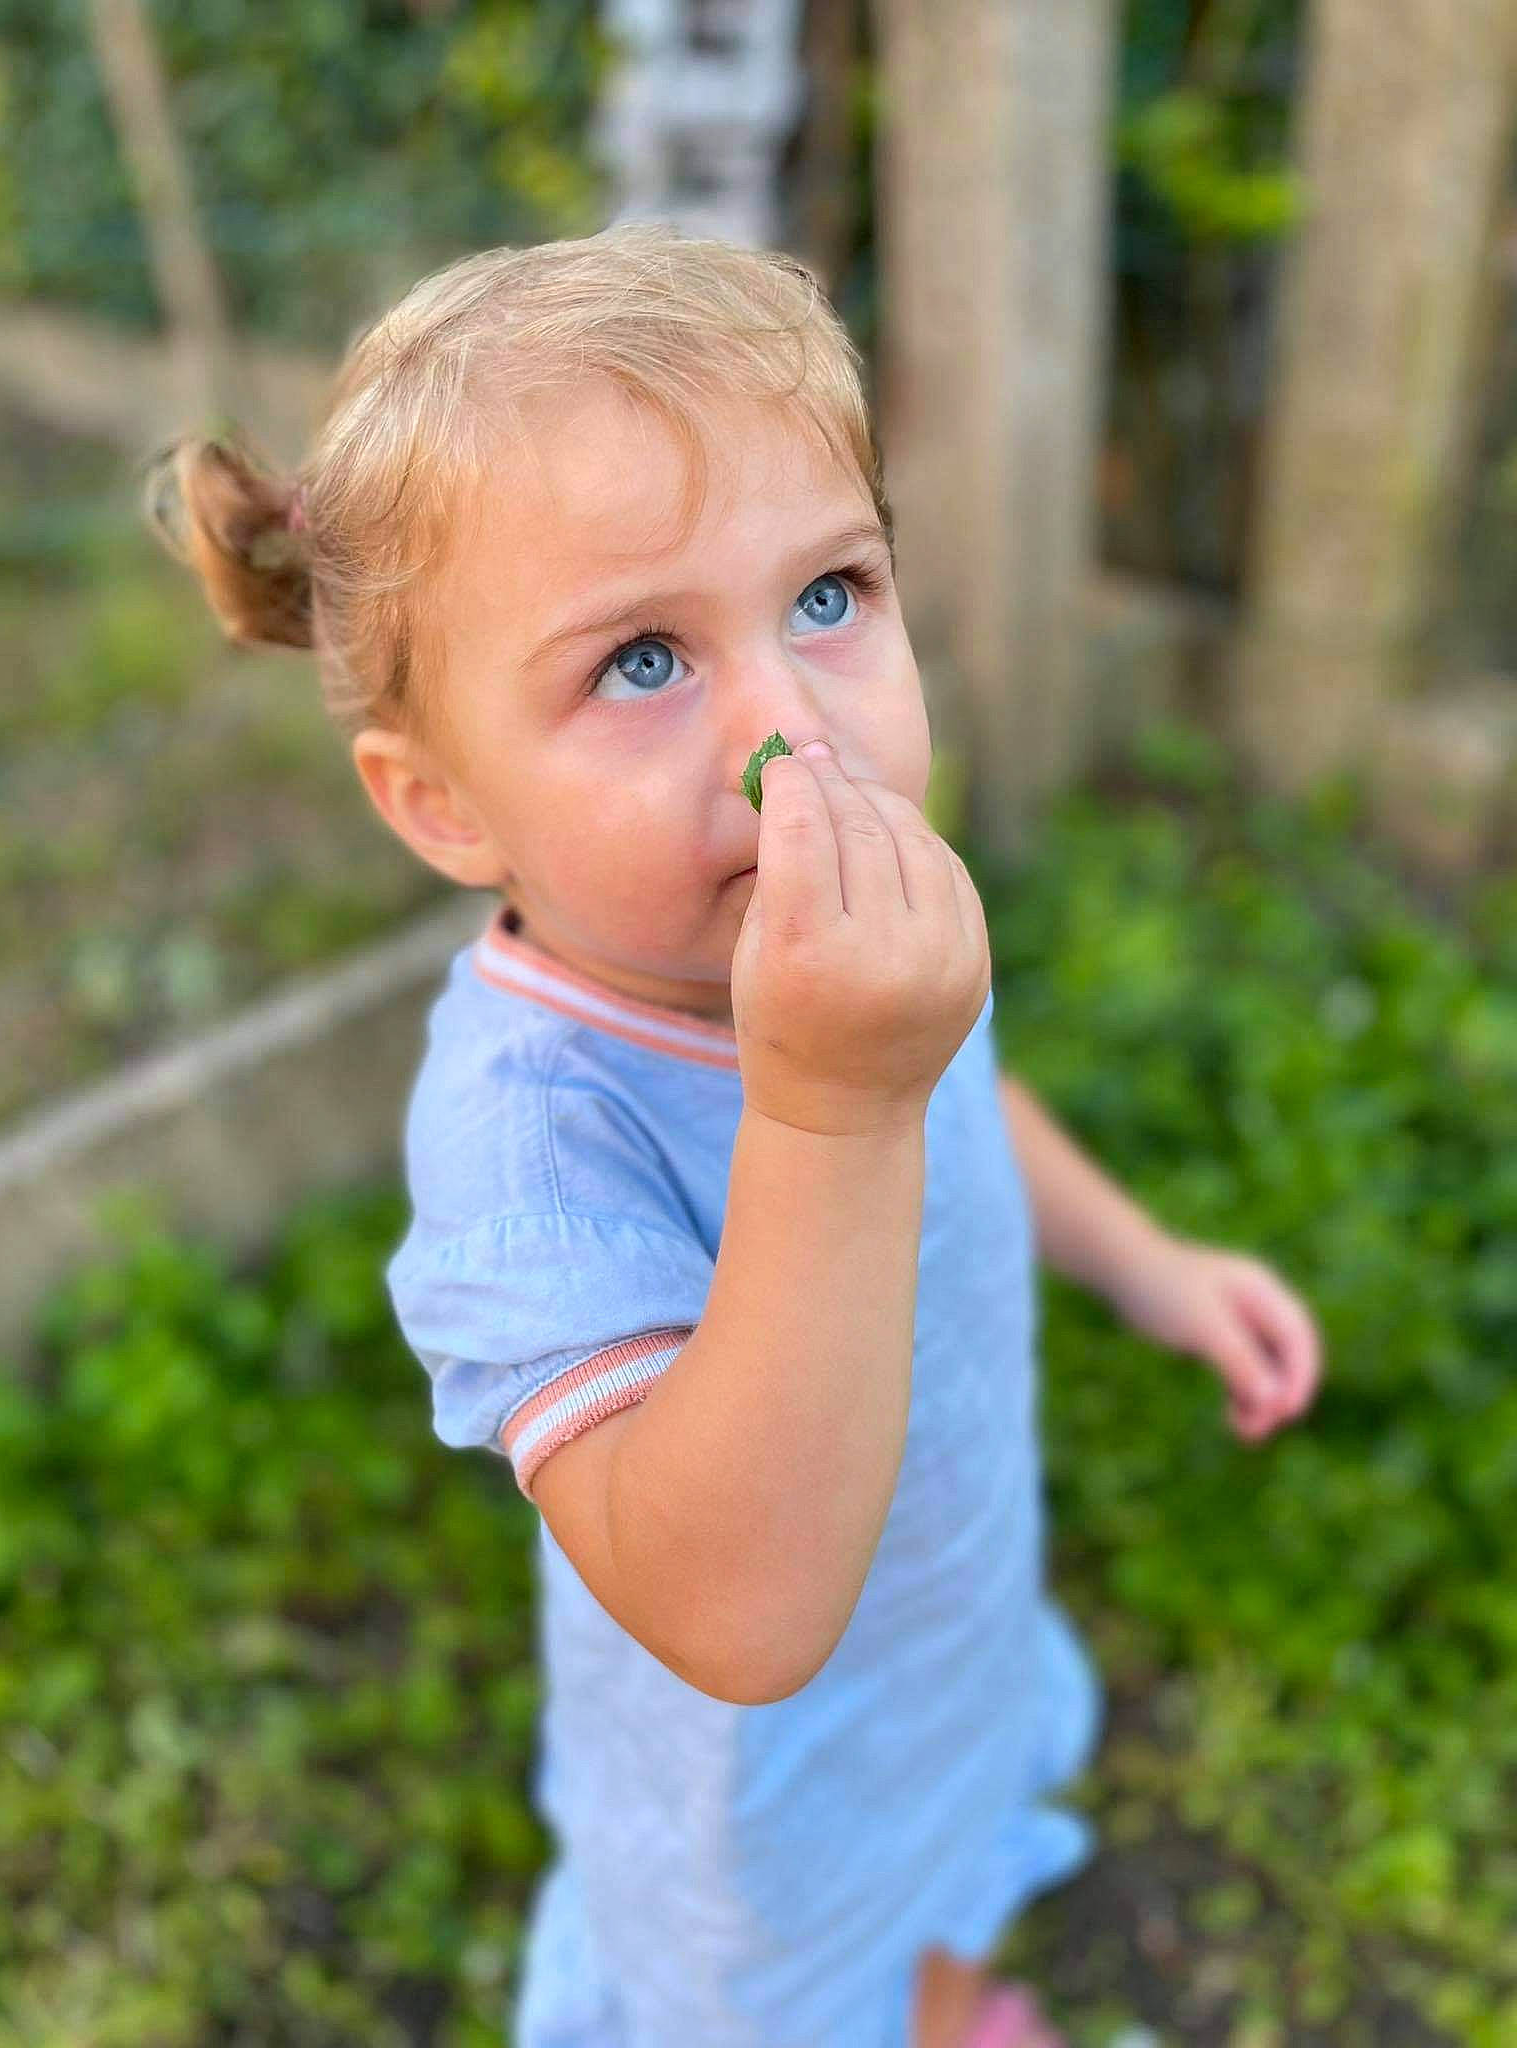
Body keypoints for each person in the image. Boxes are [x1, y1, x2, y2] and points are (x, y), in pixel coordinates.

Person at [146, 221, 1323, 2048]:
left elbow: (965, 1106)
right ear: (443, 802)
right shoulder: (531, 1138)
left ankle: (933, 1996)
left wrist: (1148, 1263)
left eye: (831, 596)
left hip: (941, 1613)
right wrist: (827, 1098)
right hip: (760, 1797)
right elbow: (736, 1612)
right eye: (639, 663)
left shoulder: (846, 944)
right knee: (793, 1979)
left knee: (933, 1860)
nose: (793, 728)